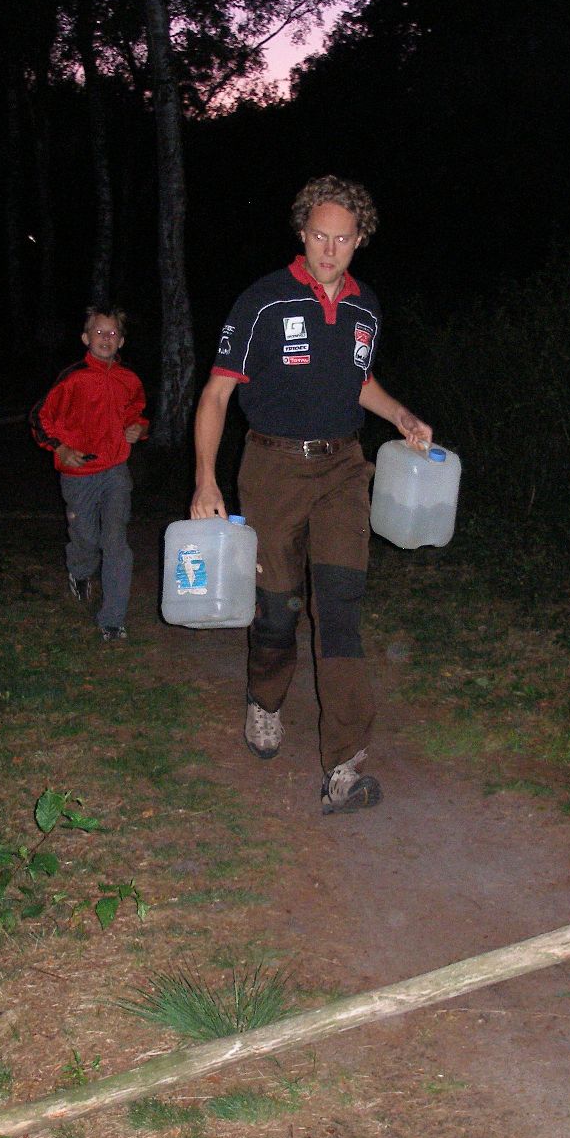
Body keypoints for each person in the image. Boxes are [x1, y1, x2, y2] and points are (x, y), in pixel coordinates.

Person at [190, 175, 432, 813]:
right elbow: (216, 393)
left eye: (342, 239)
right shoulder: (263, 301)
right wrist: (206, 480)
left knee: (341, 609)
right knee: (277, 610)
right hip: (272, 469)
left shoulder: (365, 307)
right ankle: (265, 699)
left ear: (359, 241)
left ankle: (345, 765)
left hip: (344, 468)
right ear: (302, 233)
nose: (329, 250)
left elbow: (358, 381)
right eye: (319, 236)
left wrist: (401, 415)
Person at [31, 305, 149, 641]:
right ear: (85, 338)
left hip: (115, 470)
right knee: (85, 537)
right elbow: (40, 418)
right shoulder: (73, 378)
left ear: (121, 341)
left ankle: (112, 619)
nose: (105, 338)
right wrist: (61, 449)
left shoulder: (129, 380)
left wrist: (139, 429)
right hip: (79, 471)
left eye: (112, 333)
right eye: (99, 332)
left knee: (115, 542)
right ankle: (80, 571)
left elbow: (137, 414)